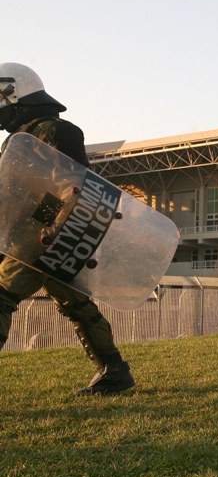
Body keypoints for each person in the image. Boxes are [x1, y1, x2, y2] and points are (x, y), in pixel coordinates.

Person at [0, 62, 135, 394]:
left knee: (0, 296)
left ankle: (113, 371)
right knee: (76, 304)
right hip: (55, 237)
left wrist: (51, 230)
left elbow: (72, 186)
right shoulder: (28, 136)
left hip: (44, 237)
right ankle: (114, 371)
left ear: (13, 93)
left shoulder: (53, 132)